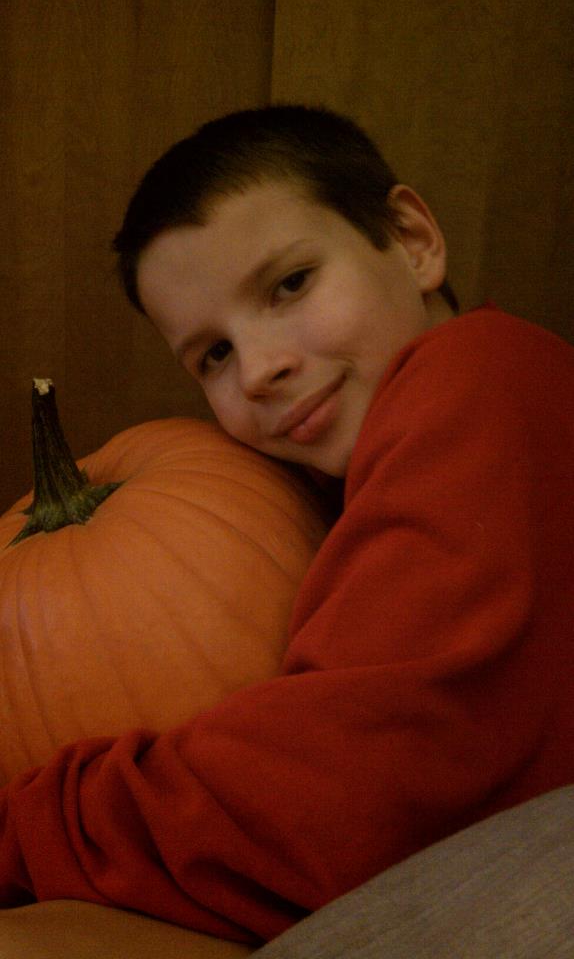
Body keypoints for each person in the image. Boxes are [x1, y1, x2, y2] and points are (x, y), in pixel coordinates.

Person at [1, 104, 573, 947]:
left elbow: (344, 787)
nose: (261, 369)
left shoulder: (481, 377)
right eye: (215, 354)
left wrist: (28, 825)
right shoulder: (375, 459)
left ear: (413, 241)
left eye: (290, 284)